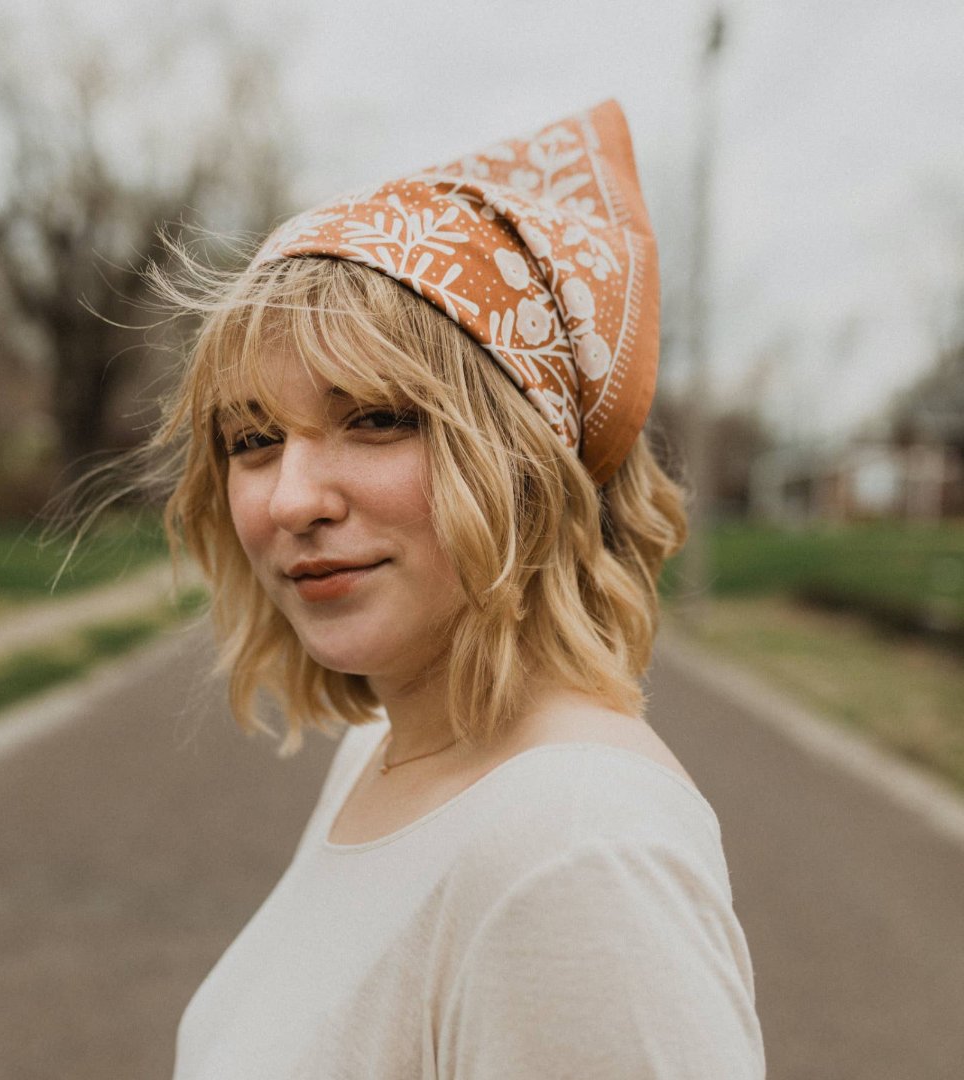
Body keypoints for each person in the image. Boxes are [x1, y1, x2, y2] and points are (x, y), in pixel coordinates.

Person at [159, 100, 766, 1078]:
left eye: (375, 419)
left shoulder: (577, 852)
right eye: (252, 440)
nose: (291, 499)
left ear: (525, 462)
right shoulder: (378, 753)